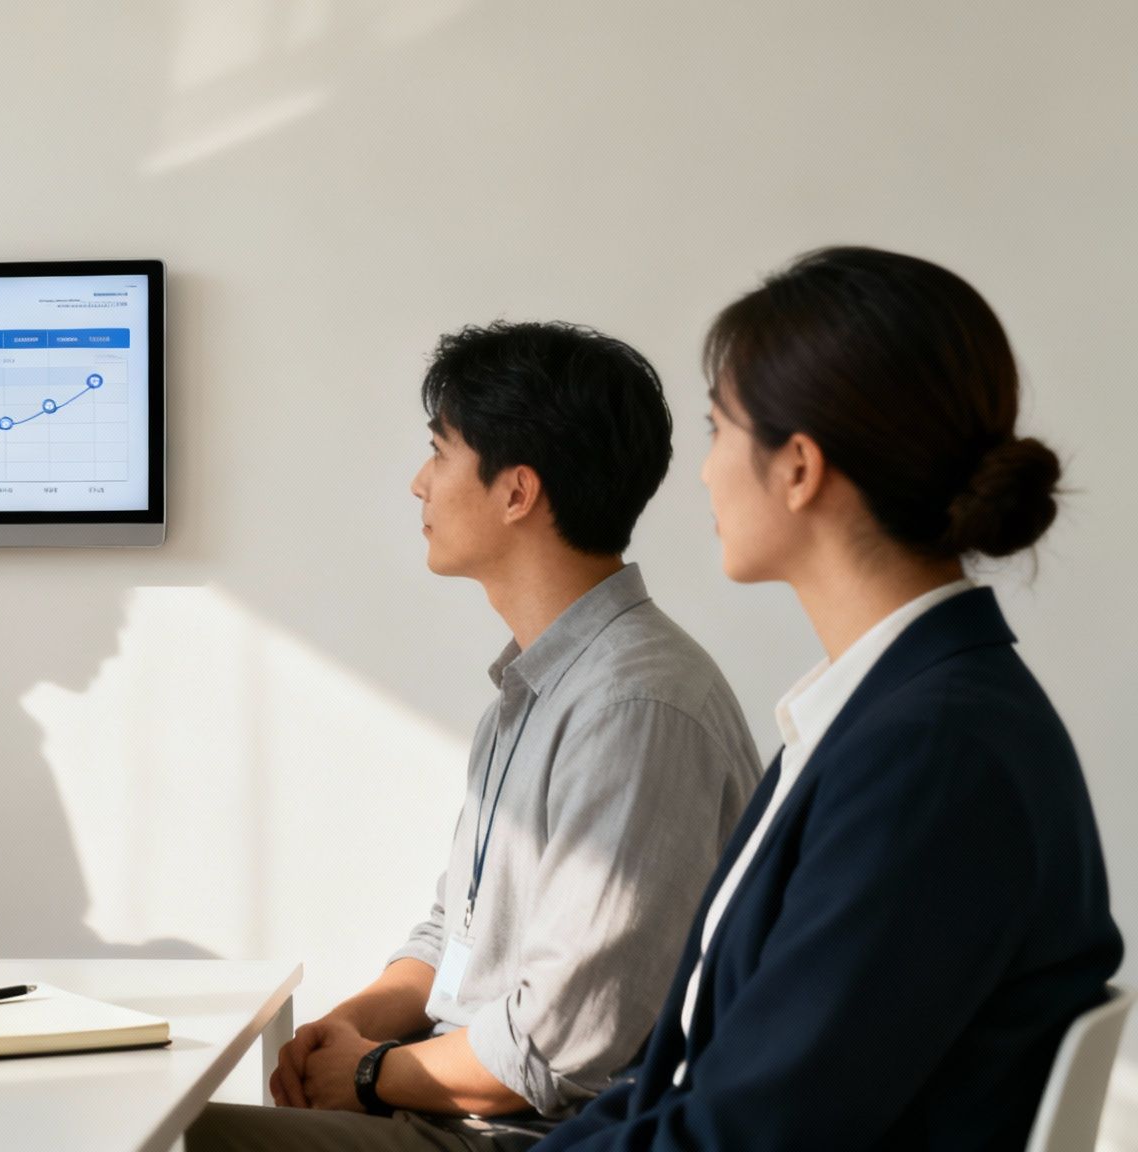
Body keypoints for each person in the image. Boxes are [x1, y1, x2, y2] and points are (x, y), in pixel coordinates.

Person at [536, 247, 1124, 1152]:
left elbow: (752, 1133)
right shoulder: (891, 713)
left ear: (798, 468)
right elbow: (689, 1083)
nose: (703, 472)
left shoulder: (934, 751)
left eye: (717, 430)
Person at [187, 322, 762, 1151]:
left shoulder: (636, 705)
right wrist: (345, 1027)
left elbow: (558, 1048)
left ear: (516, 491)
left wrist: (362, 1073)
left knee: (177, 1141)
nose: (420, 483)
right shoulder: (534, 688)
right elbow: (453, 938)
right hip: (453, 1104)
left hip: (538, 1137)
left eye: (440, 452)